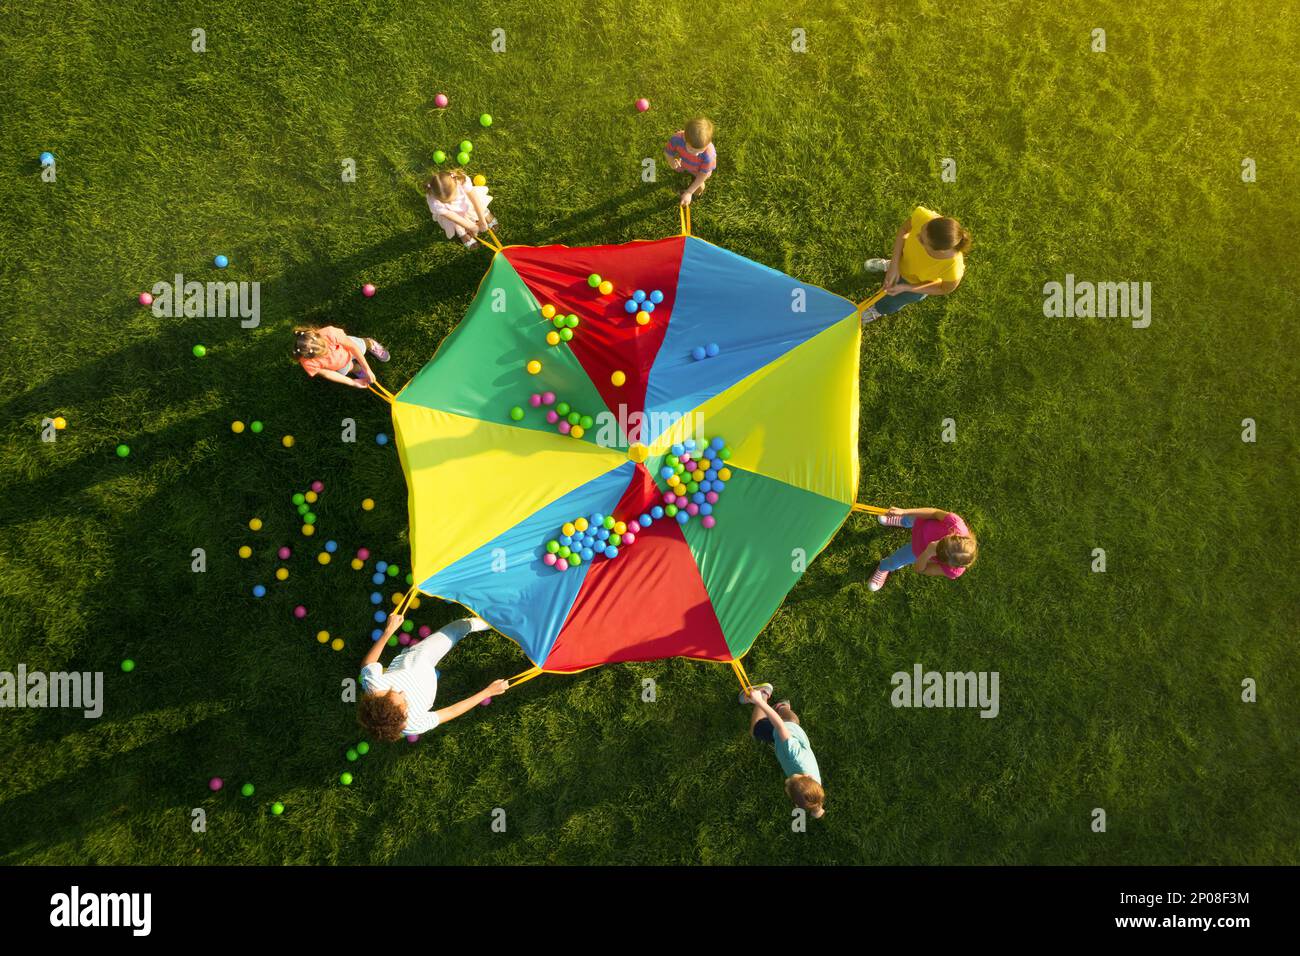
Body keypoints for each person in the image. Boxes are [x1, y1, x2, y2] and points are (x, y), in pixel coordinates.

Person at [357, 612, 509, 741]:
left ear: (378, 696)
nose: (403, 693)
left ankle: (490, 620)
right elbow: (451, 711)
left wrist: (388, 632)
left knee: (460, 626)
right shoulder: (414, 725)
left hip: (419, 657)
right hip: (428, 681)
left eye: (394, 692)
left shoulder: (374, 685)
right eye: (404, 703)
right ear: (403, 719)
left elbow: (368, 663)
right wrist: (488, 692)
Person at [862, 208, 970, 321]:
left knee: (891, 302)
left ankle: (878, 310)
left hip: (915, 284)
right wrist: (894, 265)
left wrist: (906, 287)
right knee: (896, 269)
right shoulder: (924, 217)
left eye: (922, 240)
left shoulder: (953, 268)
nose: (917, 236)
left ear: (938, 251)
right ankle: (890, 265)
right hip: (902, 261)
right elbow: (904, 230)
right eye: (921, 230)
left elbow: (944, 289)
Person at [741, 683, 825, 818]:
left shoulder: (815, 787)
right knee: (756, 730)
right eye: (790, 780)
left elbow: (816, 800)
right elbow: (779, 726)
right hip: (783, 731)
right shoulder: (792, 754)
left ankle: (782, 707)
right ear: (806, 777)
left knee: (793, 720)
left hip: (796, 733)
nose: (786, 782)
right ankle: (763, 694)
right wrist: (759, 702)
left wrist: (817, 811)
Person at [869, 506, 978, 591]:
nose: (934, 543)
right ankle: (902, 520)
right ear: (954, 535)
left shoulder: (953, 571)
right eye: (941, 541)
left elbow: (920, 569)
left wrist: (927, 553)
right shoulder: (955, 523)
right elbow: (934, 513)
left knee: (895, 561)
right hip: (922, 523)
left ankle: (884, 567)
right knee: (910, 519)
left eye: (938, 550)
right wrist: (904, 512)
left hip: (917, 550)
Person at [293, 326, 389, 389]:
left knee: (362, 347)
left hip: (349, 349)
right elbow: (328, 374)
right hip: (338, 364)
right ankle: (357, 369)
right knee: (347, 369)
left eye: (328, 348)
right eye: (324, 355)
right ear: (311, 357)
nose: (330, 353)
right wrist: (352, 382)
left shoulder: (330, 333)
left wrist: (367, 369)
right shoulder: (307, 363)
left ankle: (370, 343)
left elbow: (352, 347)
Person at [424, 169, 497, 248]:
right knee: (455, 224)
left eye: (452, 198)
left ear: (456, 184)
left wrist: (482, 220)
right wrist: (472, 227)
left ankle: (484, 213)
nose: (451, 202)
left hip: (466, 202)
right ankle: (462, 233)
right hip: (451, 214)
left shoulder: (461, 181)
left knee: (478, 204)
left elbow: (475, 200)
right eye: (446, 202)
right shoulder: (434, 202)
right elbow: (454, 218)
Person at [663, 117, 717, 206]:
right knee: (678, 168)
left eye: (700, 151)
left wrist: (689, 192)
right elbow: (667, 152)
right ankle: (684, 170)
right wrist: (671, 161)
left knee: (699, 187)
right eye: (692, 150)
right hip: (684, 163)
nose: (696, 154)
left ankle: (695, 194)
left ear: (708, 143)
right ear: (684, 138)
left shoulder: (709, 156)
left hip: (699, 172)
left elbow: (702, 175)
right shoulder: (677, 138)